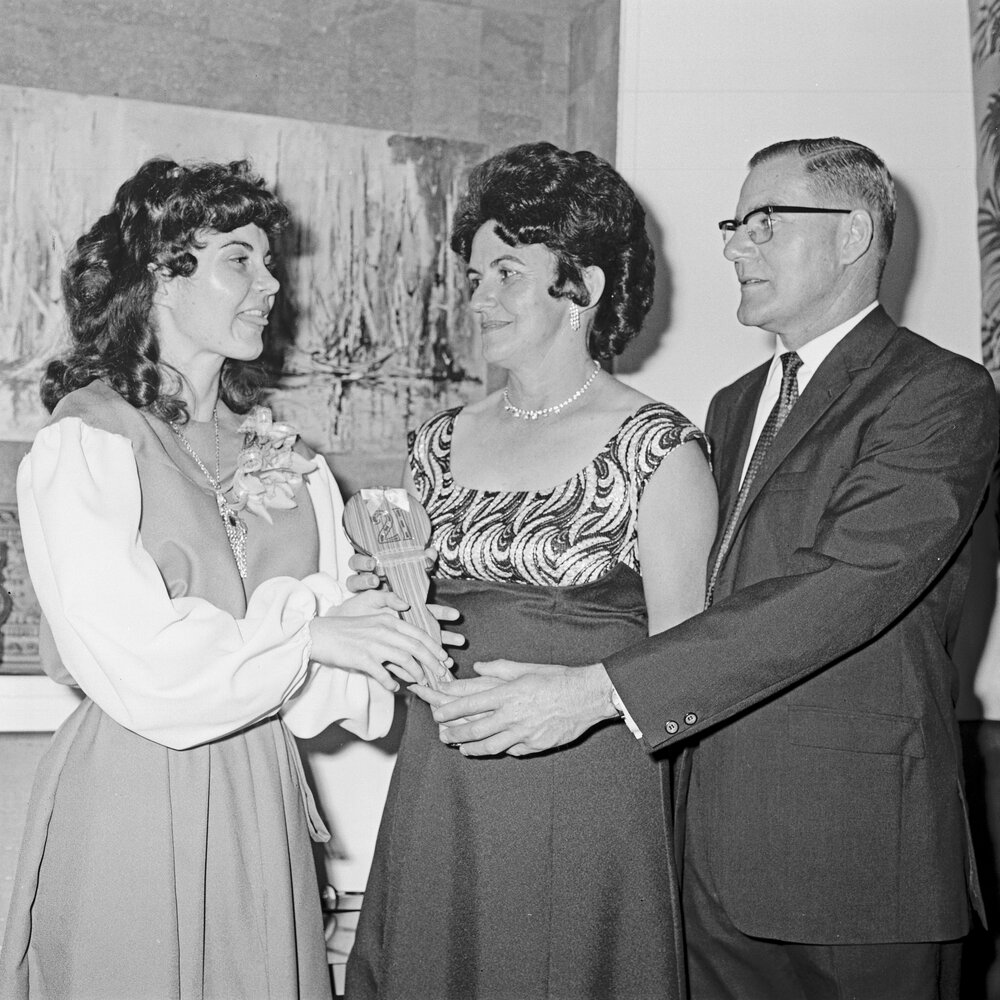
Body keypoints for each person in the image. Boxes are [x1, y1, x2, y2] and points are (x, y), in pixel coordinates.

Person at [424, 137, 1000, 1000]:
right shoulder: (732, 407)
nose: (734, 246)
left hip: (856, 865)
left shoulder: (939, 393)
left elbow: (842, 587)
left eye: (765, 223)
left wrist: (594, 691)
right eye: (736, 225)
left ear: (851, 235)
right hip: (706, 864)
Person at [0, 158, 455, 1000]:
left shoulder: (291, 459)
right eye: (240, 259)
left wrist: (389, 620)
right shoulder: (88, 440)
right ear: (161, 278)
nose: (272, 284)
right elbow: (135, 656)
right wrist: (315, 634)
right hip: (132, 791)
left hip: (262, 788)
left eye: (269, 261)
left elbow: (324, 694)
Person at [345, 141, 717, 1000]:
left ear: (581, 286)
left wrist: (579, 699)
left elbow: (692, 666)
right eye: (474, 276)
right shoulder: (436, 443)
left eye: (507, 273)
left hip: (585, 794)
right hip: (444, 785)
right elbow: (413, 615)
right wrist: (384, 617)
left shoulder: (657, 449)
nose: (479, 297)